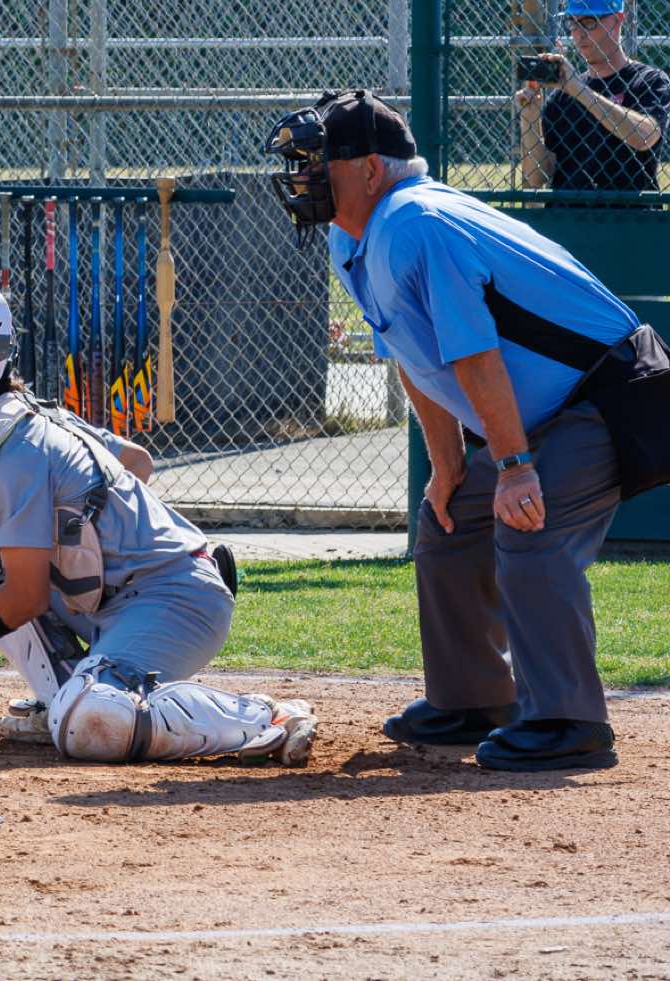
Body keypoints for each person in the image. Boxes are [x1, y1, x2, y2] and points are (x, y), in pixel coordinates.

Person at [267, 89, 636, 771]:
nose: (306, 175)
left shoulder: (415, 221)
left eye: (320, 161)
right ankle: (475, 701)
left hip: (610, 396)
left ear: (370, 169)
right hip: (545, 414)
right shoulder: (356, 234)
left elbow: (475, 353)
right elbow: (414, 354)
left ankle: (570, 721)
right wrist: (447, 466)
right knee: (450, 520)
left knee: (528, 525)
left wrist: (515, 467)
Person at [0, 287, 318, 766]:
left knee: (91, 720)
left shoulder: (16, 450)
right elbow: (137, 462)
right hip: (125, 596)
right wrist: (107, 536)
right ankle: (68, 698)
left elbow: (26, 598)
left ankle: (266, 716)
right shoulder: (25, 418)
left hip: (173, 599)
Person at [518, 0, 670, 193]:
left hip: (626, 211)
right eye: (573, 22)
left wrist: (580, 91)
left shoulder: (649, 80)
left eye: (589, 22)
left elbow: (645, 136)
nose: (579, 33)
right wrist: (530, 118)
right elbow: (536, 177)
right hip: (567, 211)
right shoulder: (563, 93)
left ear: (617, 21)